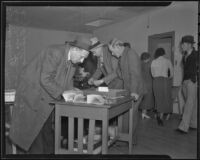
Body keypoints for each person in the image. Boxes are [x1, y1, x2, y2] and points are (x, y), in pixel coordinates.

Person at [9, 36, 91, 154]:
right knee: (34, 132)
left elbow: (67, 82)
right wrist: (63, 93)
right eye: (82, 56)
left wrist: (73, 90)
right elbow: (45, 79)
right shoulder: (55, 52)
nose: (82, 61)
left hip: (46, 95)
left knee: (46, 130)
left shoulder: (73, 60)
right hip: (32, 94)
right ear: (75, 49)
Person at [108, 38, 146, 143]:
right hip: (128, 89)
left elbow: (135, 74)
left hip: (136, 90)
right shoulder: (122, 56)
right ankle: (126, 139)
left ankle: (129, 140)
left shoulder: (131, 54)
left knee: (131, 115)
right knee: (126, 115)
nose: (112, 53)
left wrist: (134, 92)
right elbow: (120, 73)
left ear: (118, 46)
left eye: (112, 50)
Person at [176, 35, 198, 134]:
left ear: (189, 44)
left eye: (183, 44)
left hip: (192, 81)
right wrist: (183, 82)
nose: (181, 46)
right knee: (192, 103)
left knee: (189, 104)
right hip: (185, 81)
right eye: (181, 44)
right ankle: (193, 124)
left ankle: (183, 127)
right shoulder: (184, 55)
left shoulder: (196, 54)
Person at [151, 48, 173, 126]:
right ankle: (161, 116)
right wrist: (168, 77)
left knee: (157, 98)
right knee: (165, 98)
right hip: (165, 81)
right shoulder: (167, 61)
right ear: (163, 53)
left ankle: (158, 114)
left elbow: (152, 74)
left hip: (156, 81)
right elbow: (171, 74)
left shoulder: (154, 61)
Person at [140, 52, 154, 119]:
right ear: (148, 57)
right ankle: (144, 113)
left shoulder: (140, 64)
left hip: (141, 83)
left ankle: (143, 113)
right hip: (149, 83)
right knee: (147, 99)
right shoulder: (149, 65)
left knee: (142, 99)